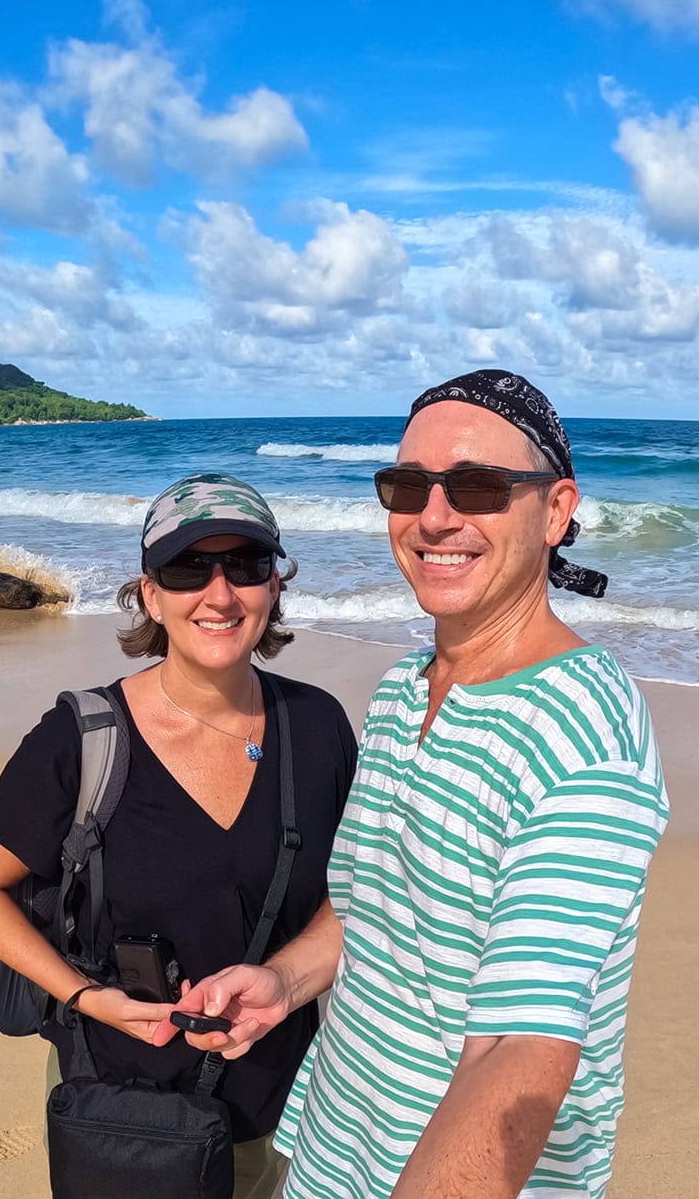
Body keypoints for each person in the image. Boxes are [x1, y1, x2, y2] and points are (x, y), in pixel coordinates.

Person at [187, 371, 669, 1198]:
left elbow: (520, 1050)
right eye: (408, 485)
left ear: (555, 511)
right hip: (334, 1149)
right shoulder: (405, 687)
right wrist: (286, 982)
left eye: (478, 486)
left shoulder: (585, 734)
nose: (434, 516)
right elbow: (376, 898)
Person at [0, 472, 357, 1199]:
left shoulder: (318, 728)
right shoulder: (81, 739)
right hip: (117, 1108)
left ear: (274, 587)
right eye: (189, 567)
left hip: (276, 1107)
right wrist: (84, 996)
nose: (221, 593)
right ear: (151, 594)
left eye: (247, 565)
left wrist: (285, 986)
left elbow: (355, 901)